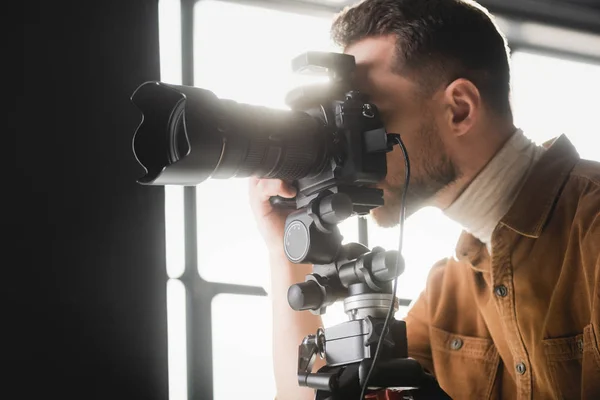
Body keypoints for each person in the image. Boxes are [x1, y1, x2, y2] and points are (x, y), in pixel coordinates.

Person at [248, 0, 600, 398]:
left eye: (367, 118)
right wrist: (285, 251)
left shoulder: (593, 231)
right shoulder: (447, 293)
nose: (343, 154)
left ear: (459, 110)